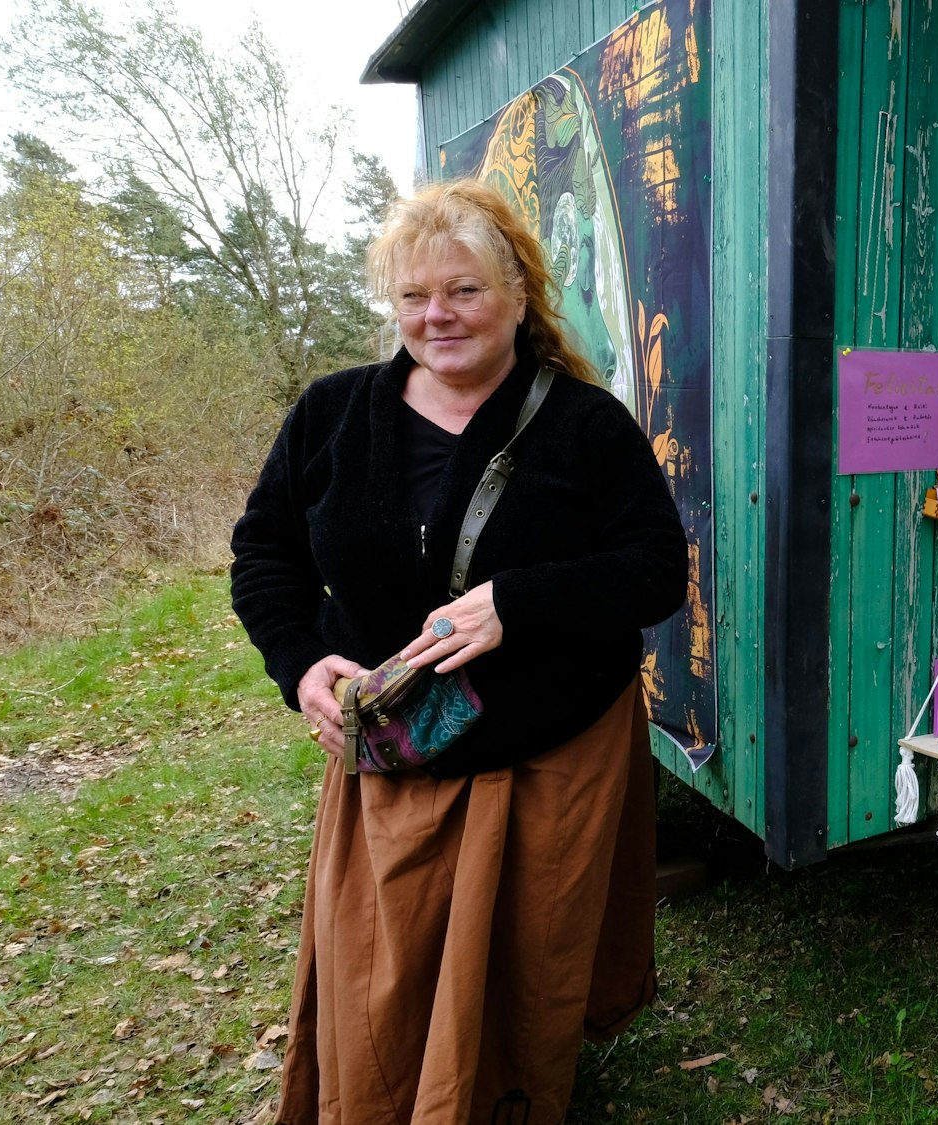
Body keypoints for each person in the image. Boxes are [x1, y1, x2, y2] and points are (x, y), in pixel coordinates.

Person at [229, 179, 689, 1124]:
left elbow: (655, 571)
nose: (435, 315)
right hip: (398, 750)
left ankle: (514, 1092)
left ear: (518, 295)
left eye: (464, 290)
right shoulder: (331, 415)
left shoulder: (585, 423)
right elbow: (264, 554)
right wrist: (300, 660)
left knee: (528, 957)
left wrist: (519, 600)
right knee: (386, 968)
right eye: (413, 295)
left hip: (551, 749)